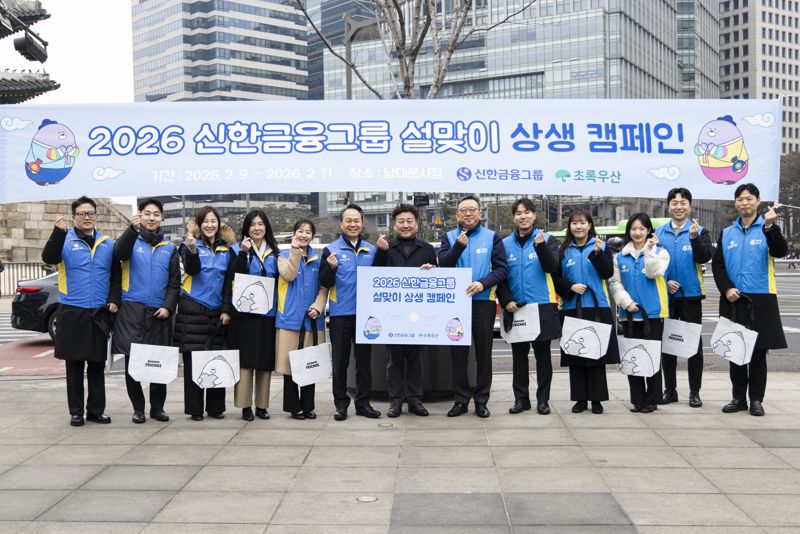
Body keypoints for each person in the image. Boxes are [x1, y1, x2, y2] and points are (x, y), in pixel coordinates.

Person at [41, 196, 119, 426]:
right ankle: (76, 412)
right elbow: (48, 258)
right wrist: (57, 233)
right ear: (74, 217)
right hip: (72, 310)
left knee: (96, 363)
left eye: (91, 213)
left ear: (96, 216)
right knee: (74, 364)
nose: (87, 217)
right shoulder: (64, 240)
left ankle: (96, 410)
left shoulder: (107, 243)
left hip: (99, 311)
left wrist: (114, 299)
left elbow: (115, 275)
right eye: (82, 214)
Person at [712, 183, 787, 417]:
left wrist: (770, 227)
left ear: (758, 201)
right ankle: (738, 398)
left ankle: (756, 400)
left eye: (749, 199)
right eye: (740, 199)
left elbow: (780, 251)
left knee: (757, 354)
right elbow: (718, 265)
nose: (745, 203)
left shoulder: (767, 228)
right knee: (735, 352)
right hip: (734, 298)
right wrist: (726, 288)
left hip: (761, 297)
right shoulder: (727, 232)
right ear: (736, 203)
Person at [438, 194, 508, 418]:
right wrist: (458, 246)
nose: (468, 214)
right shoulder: (449, 236)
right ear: (457, 215)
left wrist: (483, 283)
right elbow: (444, 265)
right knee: (458, 354)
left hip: (483, 303)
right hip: (455, 305)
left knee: (483, 354)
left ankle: (481, 400)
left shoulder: (491, 237)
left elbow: (501, 269)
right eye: (463, 210)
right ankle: (460, 400)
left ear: (480, 213)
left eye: (472, 210)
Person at [111, 198, 180, 424]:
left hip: (159, 312)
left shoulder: (169, 248)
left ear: (162, 218)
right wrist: (132, 230)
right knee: (134, 362)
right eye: (147, 214)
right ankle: (138, 408)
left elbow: (174, 283)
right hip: (132, 310)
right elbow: (119, 253)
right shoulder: (131, 241)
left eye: (156, 214)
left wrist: (168, 307)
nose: (152, 218)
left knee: (159, 362)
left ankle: (157, 408)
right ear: (140, 215)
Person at [496, 198, 561, 415]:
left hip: (542, 306)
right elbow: (501, 277)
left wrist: (540, 247)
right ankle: (521, 399)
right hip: (516, 308)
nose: (523, 216)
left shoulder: (548, 240)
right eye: (518, 213)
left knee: (543, 357)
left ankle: (543, 400)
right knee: (519, 358)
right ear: (514, 217)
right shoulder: (504, 245)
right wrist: (506, 301)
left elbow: (552, 267)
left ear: (534, 215)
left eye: (527, 212)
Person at [372, 204, 437, 418]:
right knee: (395, 360)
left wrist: (433, 271)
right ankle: (395, 401)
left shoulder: (427, 249)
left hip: (420, 314)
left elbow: (436, 279)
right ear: (395, 225)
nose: (406, 225)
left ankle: (416, 400)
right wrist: (381, 253)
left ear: (417, 224)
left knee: (416, 359)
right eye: (401, 221)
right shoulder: (386, 247)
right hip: (393, 315)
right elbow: (375, 277)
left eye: (410, 221)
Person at [554, 209, 619, 414]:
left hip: (597, 306)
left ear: (590, 225)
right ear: (569, 227)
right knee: (576, 354)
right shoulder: (563, 250)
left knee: (596, 355)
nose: (578, 227)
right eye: (574, 223)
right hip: (573, 307)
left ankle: (597, 399)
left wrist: (599, 254)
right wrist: (570, 288)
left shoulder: (601, 246)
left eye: (582, 223)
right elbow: (556, 279)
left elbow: (607, 272)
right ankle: (580, 399)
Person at [173, 206, 235, 421]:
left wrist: (226, 309)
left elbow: (229, 282)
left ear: (219, 224)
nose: (210, 225)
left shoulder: (227, 249)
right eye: (205, 221)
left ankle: (216, 407)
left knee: (217, 359)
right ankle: (195, 409)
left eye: (213, 221)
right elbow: (192, 270)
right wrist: (191, 250)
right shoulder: (188, 245)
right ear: (199, 225)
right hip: (193, 309)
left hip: (218, 310)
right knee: (194, 361)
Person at [655, 188, 714, 408]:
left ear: (690, 206)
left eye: (683, 203)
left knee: (693, 347)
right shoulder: (658, 233)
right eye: (674, 203)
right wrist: (666, 279)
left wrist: (695, 238)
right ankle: (670, 390)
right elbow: (652, 262)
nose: (678, 207)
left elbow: (705, 257)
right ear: (668, 206)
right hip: (666, 297)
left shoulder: (700, 231)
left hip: (691, 296)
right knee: (668, 345)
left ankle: (694, 392)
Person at [320, 204, 379, 420]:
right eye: (348, 220)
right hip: (340, 314)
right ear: (341, 223)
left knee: (364, 362)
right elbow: (324, 282)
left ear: (362, 223)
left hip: (366, 316)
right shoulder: (330, 250)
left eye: (357, 220)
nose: (353, 224)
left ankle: (363, 403)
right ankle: (341, 404)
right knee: (340, 362)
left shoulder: (371, 250)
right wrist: (331, 269)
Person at [608, 213, 670, 413]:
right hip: (629, 314)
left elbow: (653, 273)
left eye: (642, 229)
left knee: (651, 357)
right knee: (632, 357)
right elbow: (615, 284)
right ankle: (637, 399)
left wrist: (650, 251)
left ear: (649, 231)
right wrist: (627, 302)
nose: (637, 232)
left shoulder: (661, 252)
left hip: (652, 313)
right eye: (634, 229)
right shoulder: (619, 257)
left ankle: (652, 399)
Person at [275, 219, 329, 420]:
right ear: (294, 233)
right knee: (290, 367)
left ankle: (308, 406)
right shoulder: (282, 256)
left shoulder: (319, 258)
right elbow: (288, 275)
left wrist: (317, 306)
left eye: (308, 232)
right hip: (289, 320)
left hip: (312, 320)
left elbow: (324, 287)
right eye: (300, 231)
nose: (304, 235)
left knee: (310, 365)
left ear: (312, 236)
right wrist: (295, 252)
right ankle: (293, 407)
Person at [229, 210, 279, 421]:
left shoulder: (275, 252)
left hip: (268, 312)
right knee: (246, 360)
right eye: (253, 225)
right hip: (245, 313)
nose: (257, 228)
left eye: (261, 224)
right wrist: (242, 253)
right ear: (246, 228)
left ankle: (262, 405)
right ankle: (244, 405)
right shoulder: (236, 250)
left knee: (265, 360)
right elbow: (233, 276)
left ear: (266, 227)